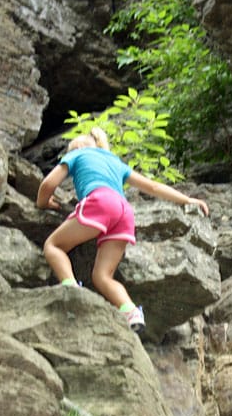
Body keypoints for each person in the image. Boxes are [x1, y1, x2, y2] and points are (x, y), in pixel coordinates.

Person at [36, 126, 209, 332]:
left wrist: (43, 203)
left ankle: (71, 288)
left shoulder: (77, 154)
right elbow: (153, 187)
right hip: (124, 212)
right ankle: (131, 312)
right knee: (102, 276)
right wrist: (187, 199)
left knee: (53, 246)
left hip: (100, 203)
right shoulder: (115, 162)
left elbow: (48, 184)